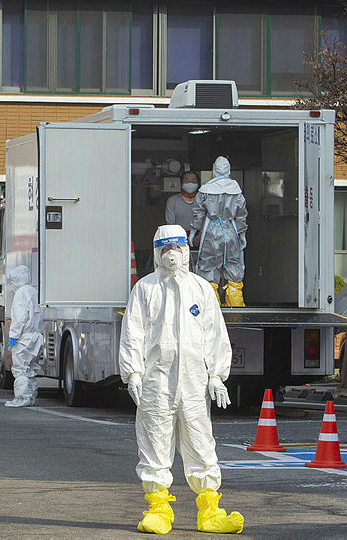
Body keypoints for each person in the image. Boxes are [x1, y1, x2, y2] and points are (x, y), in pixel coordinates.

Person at [119, 224, 244, 535]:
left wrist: (217, 375)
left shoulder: (201, 288)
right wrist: (133, 372)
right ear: (157, 252)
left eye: (176, 247)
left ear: (186, 250)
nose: (171, 254)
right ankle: (158, 510)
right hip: (156, 382)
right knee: (154, 444)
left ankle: (210, 513)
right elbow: (133, 332)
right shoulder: (145, 289)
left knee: (201, 444)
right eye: (165, 248)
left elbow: (215, 334)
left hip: (194, 383)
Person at [189, 156, 248, 307]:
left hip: (211, 232)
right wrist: (242, 233)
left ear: (214, 170)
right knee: (234, 267)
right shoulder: (236, 190)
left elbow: (198, 213)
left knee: (208, 267)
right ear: (229, 171)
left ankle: (211, 308)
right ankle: (236, 307)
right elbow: (241, 215)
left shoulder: (205, 190)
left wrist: (194, 230)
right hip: (231, 231)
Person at [5, 266, 44, 407]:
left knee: (20, 369)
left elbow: (20, 317)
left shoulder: (20, 293)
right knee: (30, 369)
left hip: (24, 339)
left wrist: (13, 336)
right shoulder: (34, 292)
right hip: (36, 337)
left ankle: (22, 398)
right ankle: (31, 396)